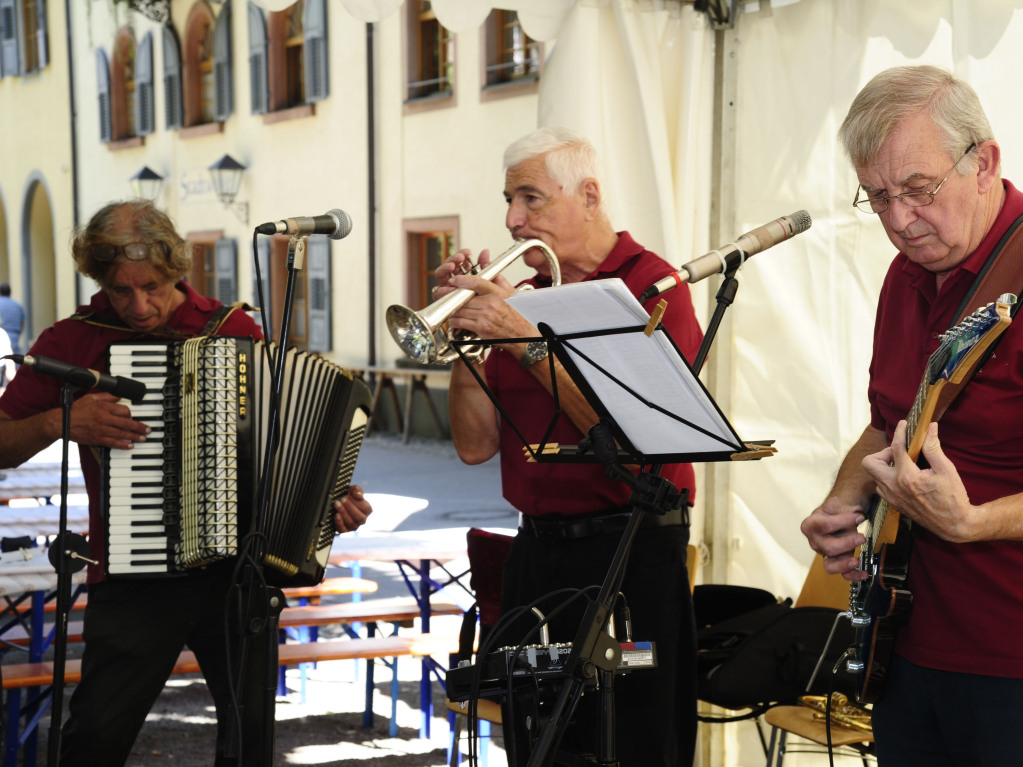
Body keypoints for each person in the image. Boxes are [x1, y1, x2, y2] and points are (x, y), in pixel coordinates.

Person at [0, 199, 373, 766]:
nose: (139, 305)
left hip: (235, 573)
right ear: (100, 281)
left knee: (248, 742)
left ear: (176, 269)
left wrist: (331, 498)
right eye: (120, 291)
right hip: (132, 576)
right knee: (95, 736)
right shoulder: (71, 341)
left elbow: (282, 440)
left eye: (151, 286)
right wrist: (60, 421)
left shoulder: (234, 329)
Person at [437, 126, 702, 767]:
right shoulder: (521, 299)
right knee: (540, 740)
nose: (511, 219)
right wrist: (464, 336)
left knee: (637, 730)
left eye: (530, 199)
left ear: (588, 195)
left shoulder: (653, 287)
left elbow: (641, 438)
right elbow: (473, 446)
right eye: (508, 200)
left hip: (632, 557)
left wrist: (524, 343)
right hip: (539, 555)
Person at [800, 65, 1023, 766]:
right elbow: (888, 421)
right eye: (877, 198)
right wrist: (842, 501)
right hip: (902, 641)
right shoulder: (903, 276)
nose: (898, 221)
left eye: (918, 191)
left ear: (982, 162)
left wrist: (975, 522)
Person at [0, 281, 26, 355]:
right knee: (15, 360)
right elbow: (22, 323)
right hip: (15, 337)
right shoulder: (18, 305)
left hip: (1, 337)